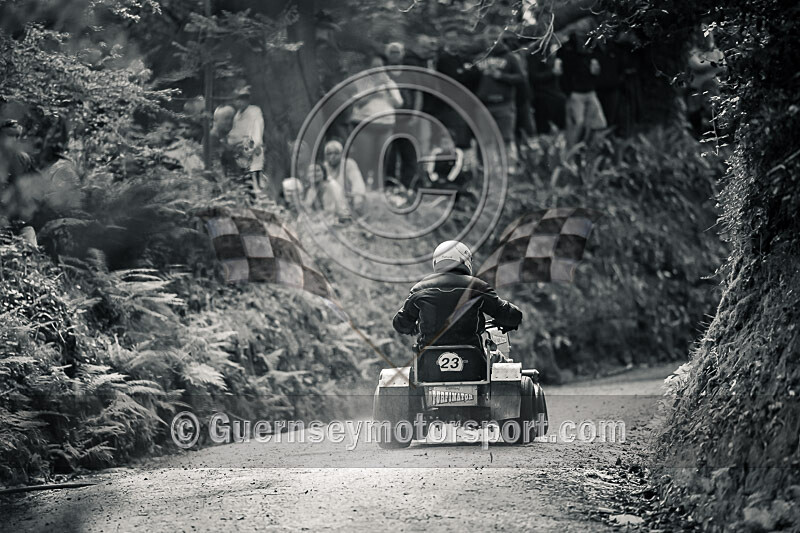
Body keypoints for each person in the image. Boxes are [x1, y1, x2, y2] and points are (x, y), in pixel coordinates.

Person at [393, 240, 522, 352]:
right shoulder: (477, 287)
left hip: (428, 367)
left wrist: (414, 328)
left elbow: (400, 323)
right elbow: (510, 315)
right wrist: (509, 320)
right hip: (473, 365)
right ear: (464, 260)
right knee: (499, 358)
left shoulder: (419, 289)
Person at [474, 26, 525, 174]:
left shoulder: (510, 57)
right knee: (485, 138)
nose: (492, 41)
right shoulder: (480, 57)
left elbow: (521, 78)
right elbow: (471, 79)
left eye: (495, 38)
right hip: (483, 105)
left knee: (506, 138)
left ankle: (508, 168)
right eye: (489, 39)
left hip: (504, 104)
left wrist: (501, 76)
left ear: (501, 38)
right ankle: (487, 169)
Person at [350, 54, 403, 189]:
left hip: (386, 126)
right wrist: (375, 89)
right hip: (365, 125)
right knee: (363, 161)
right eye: (375, 66)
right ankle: (361, 192)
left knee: (381, 161)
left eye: (380, 66)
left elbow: (398, 103)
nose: (378, 69)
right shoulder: (361, 81)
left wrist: (388, 90)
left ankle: (377, 192)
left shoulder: (390, 82)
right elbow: (358, 103)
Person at [558, 18, 608, 145]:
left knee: (599, 124)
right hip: (575, 93)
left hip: (590, 90)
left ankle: (592, 150)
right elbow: (560, 71)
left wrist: (597, 70)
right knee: (577, 124)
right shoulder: (567, 47)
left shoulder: (593, 45)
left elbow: (599, 66)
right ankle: (571, 155)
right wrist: (568, 91)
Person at [226, 86, 265, 194]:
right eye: (237, 99)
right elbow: (235, 133)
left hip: (252, 148)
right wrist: (232, 143)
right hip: (240, 150)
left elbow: (257, 129)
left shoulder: (254, 111)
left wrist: (254, 145)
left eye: (243, 99)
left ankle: (259, 198)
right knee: (243, 178)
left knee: (255, 174)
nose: (240, 102)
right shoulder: (237, 115)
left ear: (248, 100)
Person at [323, 139, 366, 213]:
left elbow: (357, 182)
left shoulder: (348, 164)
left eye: (336, 153)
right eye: (329, 154)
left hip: (347, 204)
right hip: (329, 206)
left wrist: (358, 198)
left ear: (342, 154)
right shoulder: (324, 167)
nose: (332, 156)